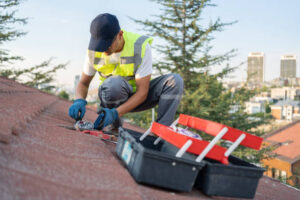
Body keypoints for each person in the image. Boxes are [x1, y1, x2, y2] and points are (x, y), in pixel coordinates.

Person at [68, 13, 183, 130]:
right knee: (114, 84)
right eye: (100, 46)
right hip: (112, 97)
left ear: (120, 35)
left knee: (174, 81)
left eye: (107, 45)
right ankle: (113, 126)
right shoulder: (93, 51)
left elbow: (142, 93)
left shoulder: (139, 47)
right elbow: (83, 83)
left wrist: (115, 113)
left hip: (138, 97)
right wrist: (79, 100)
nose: (103, 51)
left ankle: (161, 132)